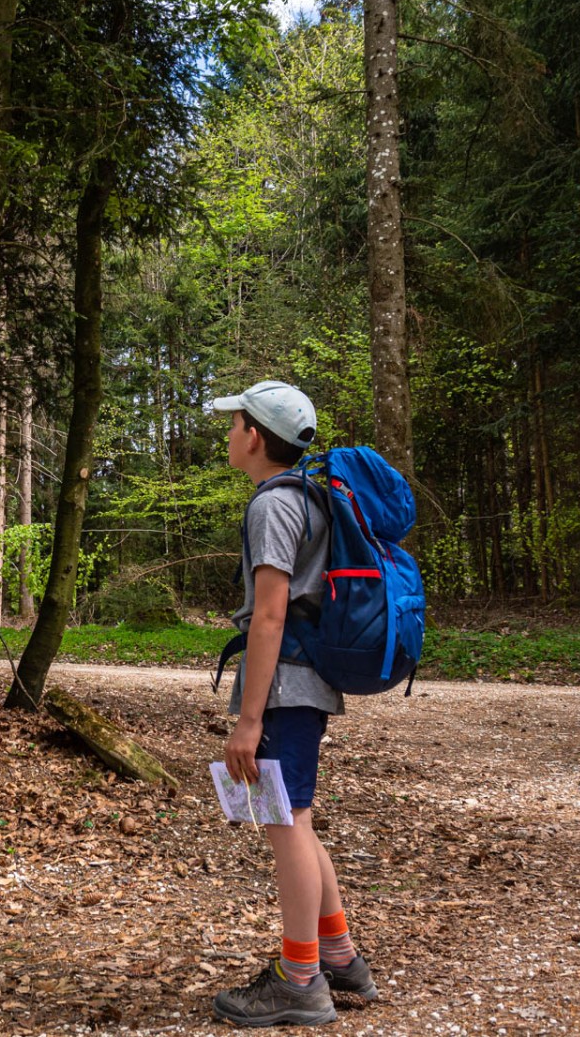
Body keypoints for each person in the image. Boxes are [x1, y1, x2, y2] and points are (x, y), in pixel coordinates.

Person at [209, 381, 378, 1028]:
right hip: (303, 684)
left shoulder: (271, 507)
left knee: (287, 827)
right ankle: (337, 954)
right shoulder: (305, 496)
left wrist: (248, 721)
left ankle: (300, 977)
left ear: (255, 435)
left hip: (284, 687)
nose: (228, 434)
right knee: (297, 819)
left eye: (234, 424)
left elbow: (270, 616)